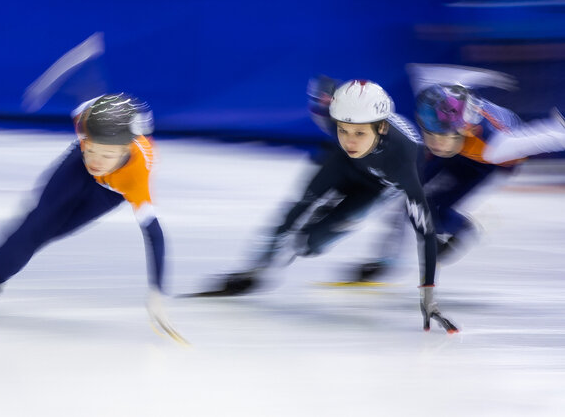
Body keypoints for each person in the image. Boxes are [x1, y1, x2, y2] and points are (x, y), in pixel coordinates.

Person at [192, 79, 458, 334]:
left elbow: (422, 230)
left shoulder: (404, 158)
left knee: (309, 246)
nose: (351, 141)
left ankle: (329, 223)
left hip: (376, 185)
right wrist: (256, 270)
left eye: (359, 133)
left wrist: (427, 296)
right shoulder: (345, 129)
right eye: (343, 130)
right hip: (342, 165)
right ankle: (259, 267)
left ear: (382, 129)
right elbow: (292, 213)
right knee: (295, 213)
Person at [0, 93, 183, 340]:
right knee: (37, 222)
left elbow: (155, 235)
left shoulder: (136, 176)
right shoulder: (86, 118)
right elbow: (78, 103)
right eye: (90, 148)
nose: (97, 161)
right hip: (74, 169)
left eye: (107, 154)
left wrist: (157, 292)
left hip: (110, 190)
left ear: (126, 150)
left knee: (51, 231)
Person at [352, 64, 565, 282]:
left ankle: (463, 229)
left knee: (436, 209)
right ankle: (386, 261)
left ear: (463, 130)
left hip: (486, 161)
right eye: (429, 133)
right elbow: (432, 74)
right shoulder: (433, 98)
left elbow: (548, 135)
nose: (434, 144)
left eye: (441, 136)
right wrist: (488, 77)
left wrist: (559, 129)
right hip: (463, 142)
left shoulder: (497, 148)